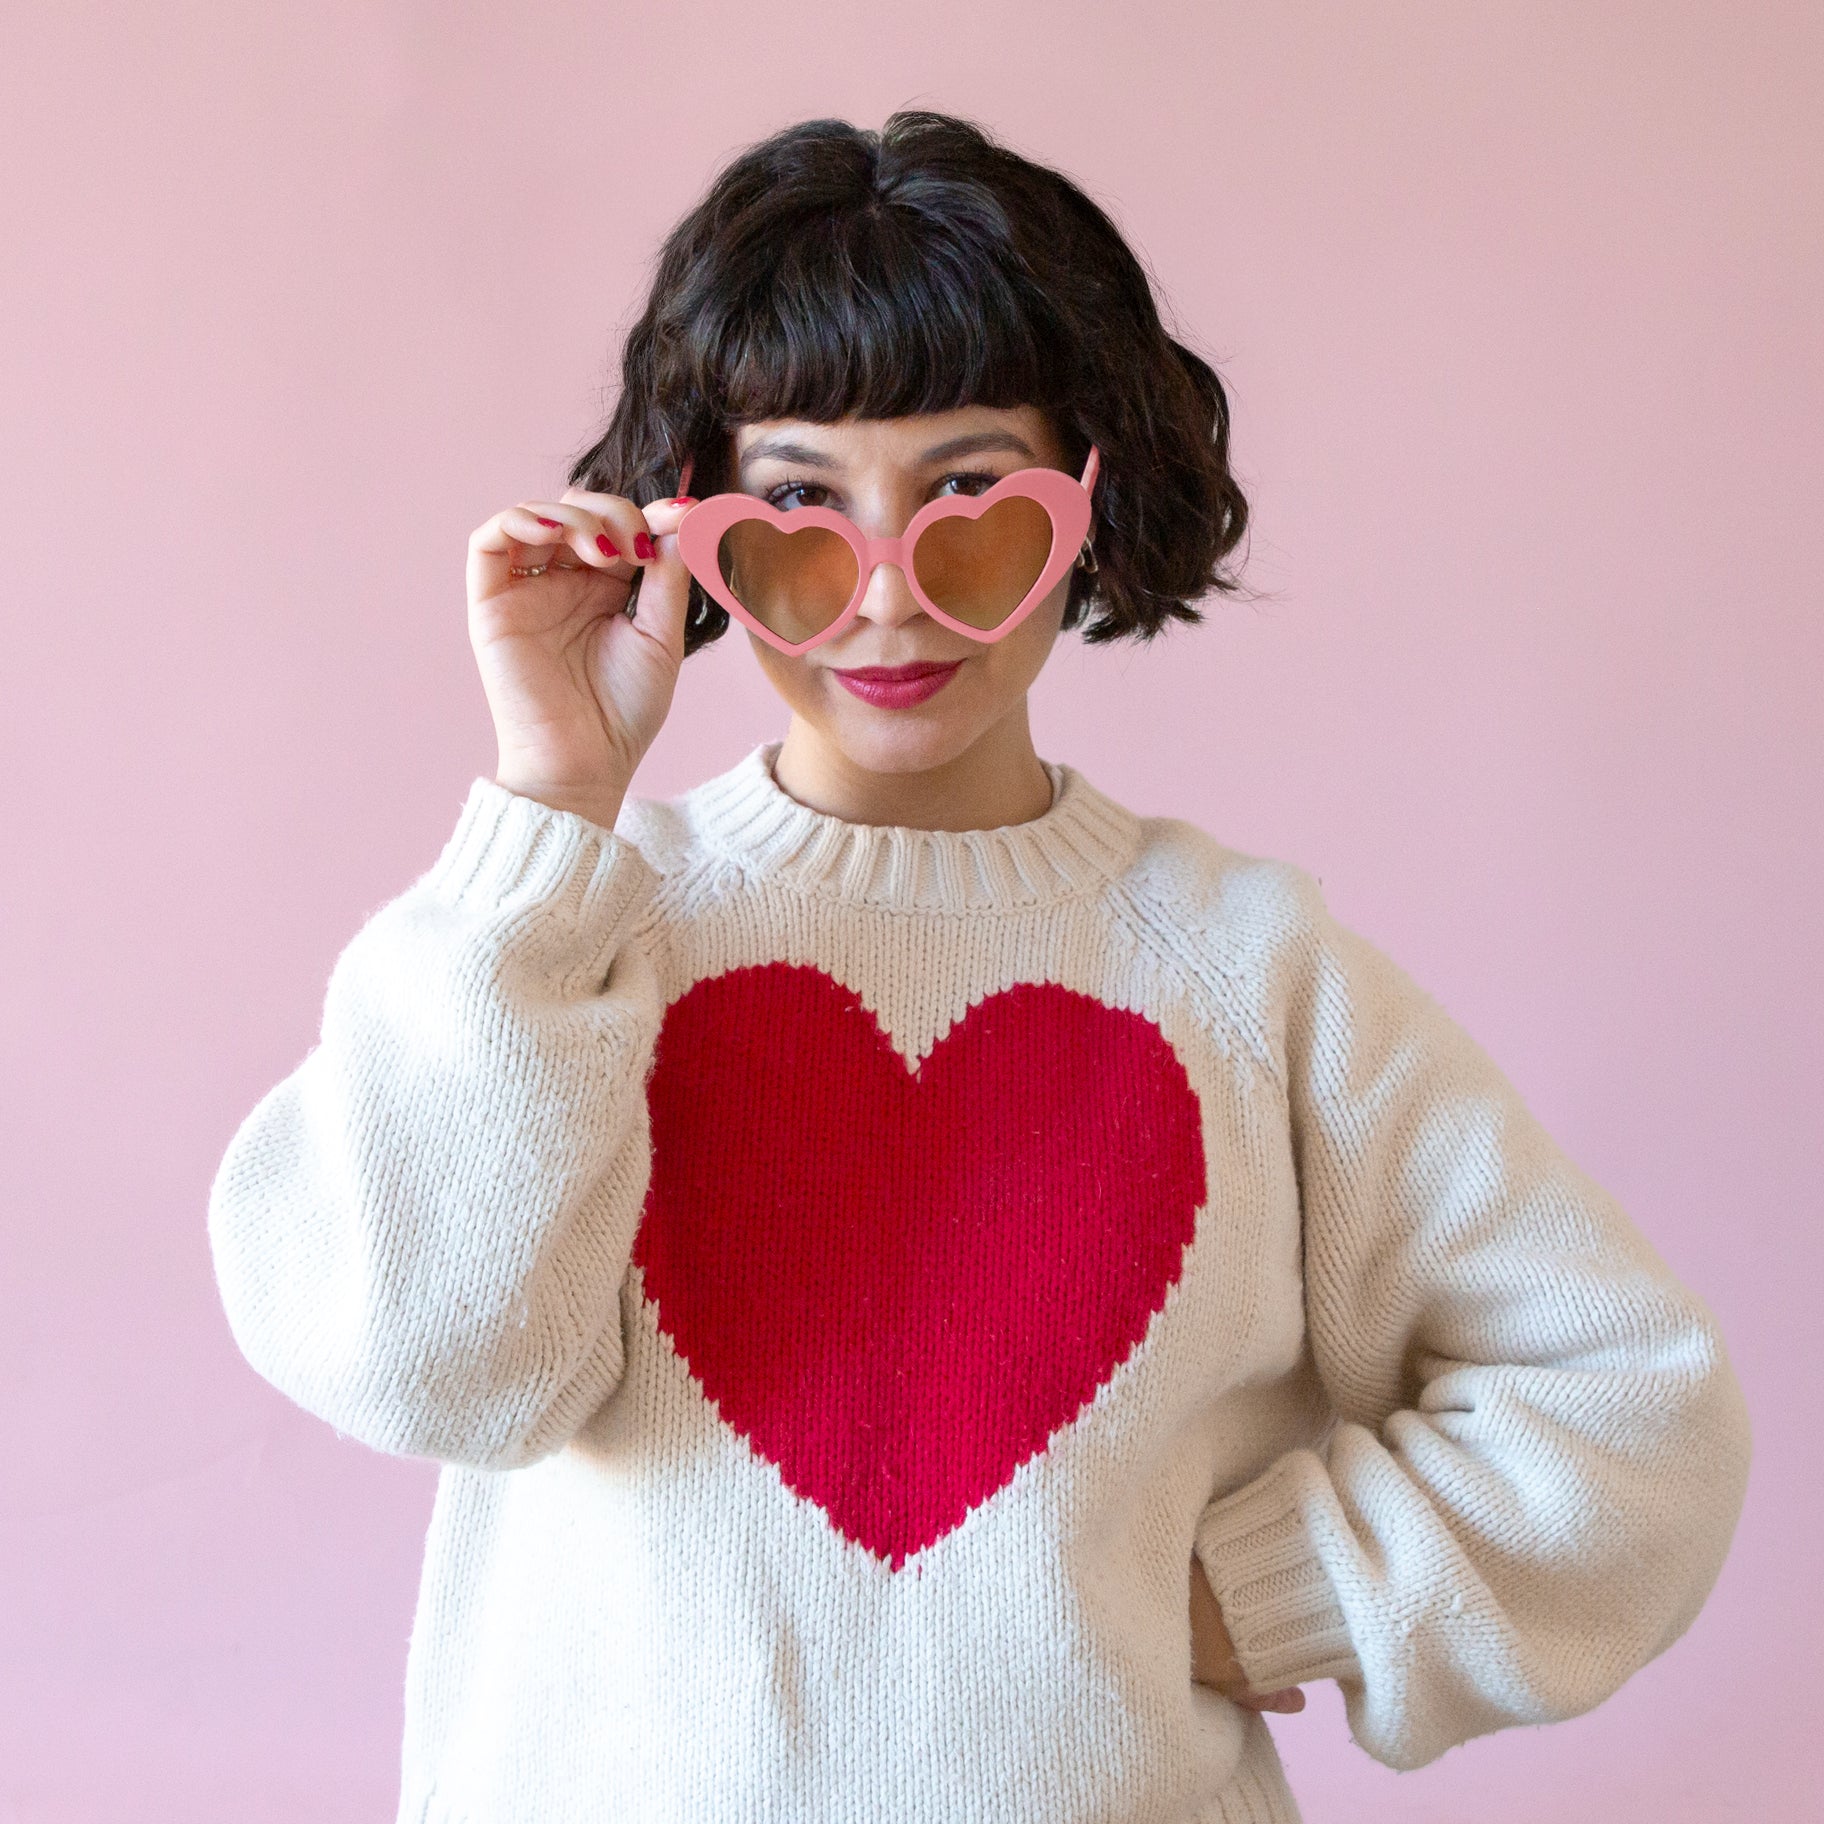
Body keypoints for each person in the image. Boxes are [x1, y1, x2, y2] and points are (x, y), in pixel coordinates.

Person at [207, 111, 1751, 1824]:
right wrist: (553, 806)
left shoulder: (1251, 973)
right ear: (689, 528)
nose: (886, 594)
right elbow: (432, 1366)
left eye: (970, 498)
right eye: (795, 504)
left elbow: (1633, 1407)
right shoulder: (566, 931)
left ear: (1089, 498)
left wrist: (1281, 1591)